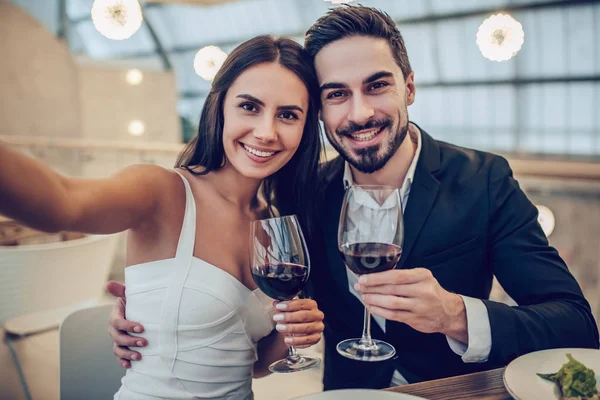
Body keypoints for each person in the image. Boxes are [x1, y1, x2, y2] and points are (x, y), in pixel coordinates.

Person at [108, 4, 600, 392]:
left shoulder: (485, 180)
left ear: (409, 87)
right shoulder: (299, 192)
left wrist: (454, 313)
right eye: (336, 94)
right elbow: (251, 298)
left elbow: (576, 325)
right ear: (318, 110)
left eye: (378, 86)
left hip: (455, 392)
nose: (359, 113)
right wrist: (160, 315)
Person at [0, 35, 325, 399]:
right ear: (219, 107)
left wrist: (289, 332)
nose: (266, 132)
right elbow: (62, 203)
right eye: (249, 106)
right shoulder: (161, 191)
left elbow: (253, 366)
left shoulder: (277, 223)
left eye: (287, 115)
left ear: (305, 127)